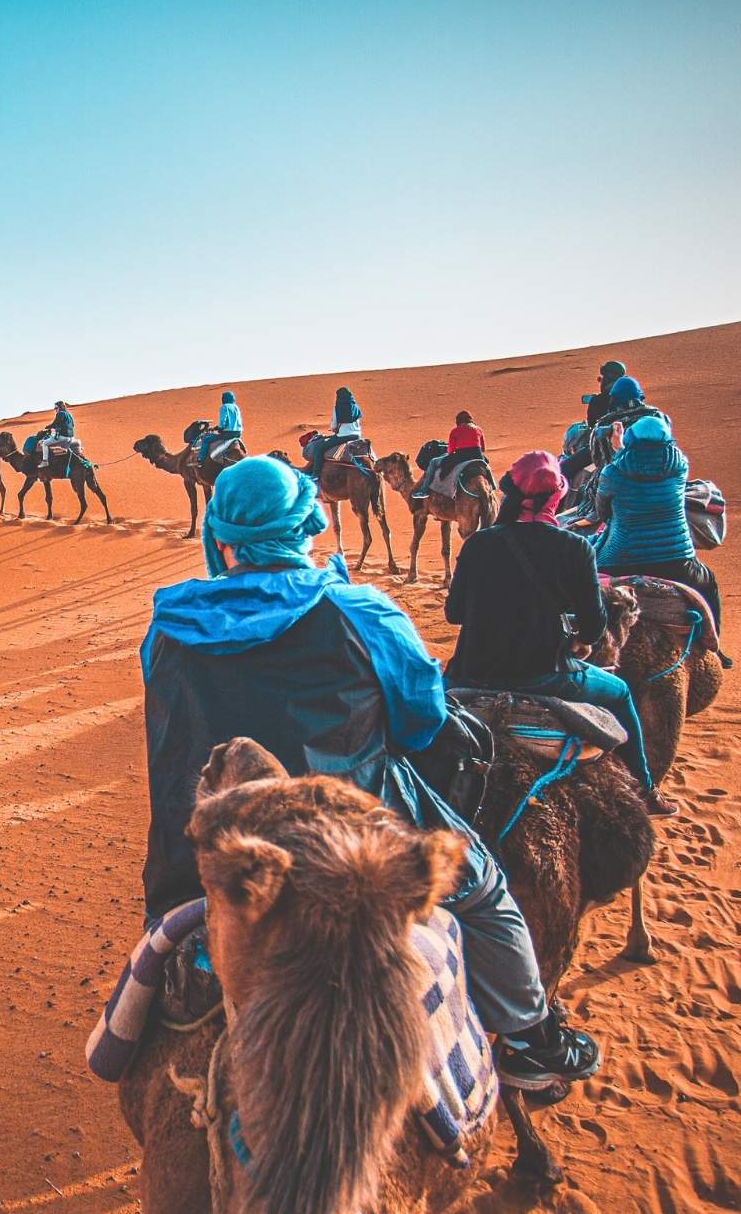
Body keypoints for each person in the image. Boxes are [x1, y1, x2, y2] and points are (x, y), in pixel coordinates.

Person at [141, 453, 600, 1089]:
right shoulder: (362, 613)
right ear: (308, 526)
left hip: (200, 849)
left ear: (219, 535)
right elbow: (421, 724)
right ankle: (531, 1040)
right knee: (488, 894)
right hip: (355, 842)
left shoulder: (167, 627)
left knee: (170, 930)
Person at [444, 450, 676, 815]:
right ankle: (645, 791)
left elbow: (453, 614)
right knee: (620, 694)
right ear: (557, 498)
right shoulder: (575, 548)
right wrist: (576, 638)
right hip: (545, 677)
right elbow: (596, 627)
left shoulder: (478, 544)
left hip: (471, 672)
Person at [593, 415, 729, 664]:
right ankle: (714, 646)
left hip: (620, 559)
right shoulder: (679, 466)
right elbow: (650, 465)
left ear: (631, 441)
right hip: (676, 561)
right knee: (709, 582)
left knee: (584, 586)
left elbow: (602, 511)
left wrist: (618, 447)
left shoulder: (612, 472)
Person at [414, 411, 490, 498]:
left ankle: (424, 490)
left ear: (458, 421)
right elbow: (483, 449)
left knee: (433, 462)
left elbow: (450, 451)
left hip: (461, 457)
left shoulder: (455, 431)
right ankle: (492, 485)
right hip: (478, 456)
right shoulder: (479, 429)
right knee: (487, 467)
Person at [305, 385, 364, 479]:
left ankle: (316, 475)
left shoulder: (338, 407)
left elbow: (334, 426)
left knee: (319, 448)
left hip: (343, 436)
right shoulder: (356, 407)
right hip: (357, 436)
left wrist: (334, 429)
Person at [195, 390, 244, 469]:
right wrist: (216, 427)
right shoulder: (236, 407)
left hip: (227, 434)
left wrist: (219, 428)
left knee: (206, 439)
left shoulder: (224, 407)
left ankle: (200, 459)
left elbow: (222, 421)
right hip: (238, 433)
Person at [585, 361, 627, 430]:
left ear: (607, 379)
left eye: (601, 379)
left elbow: (591, 425)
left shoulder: (597, 400)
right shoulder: (632, 397)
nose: (601, 381)